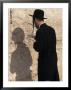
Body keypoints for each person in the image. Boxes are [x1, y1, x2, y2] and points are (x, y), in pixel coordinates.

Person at [30, 9, 60, 81]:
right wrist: (38, 38)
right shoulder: (51, 29)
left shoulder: (40, 31)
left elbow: (38, 48)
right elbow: (49, 43)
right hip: (53, 64)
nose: (34, 22)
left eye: (34, 20)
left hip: (45, 67)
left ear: (36, 19)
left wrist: (34, 42)